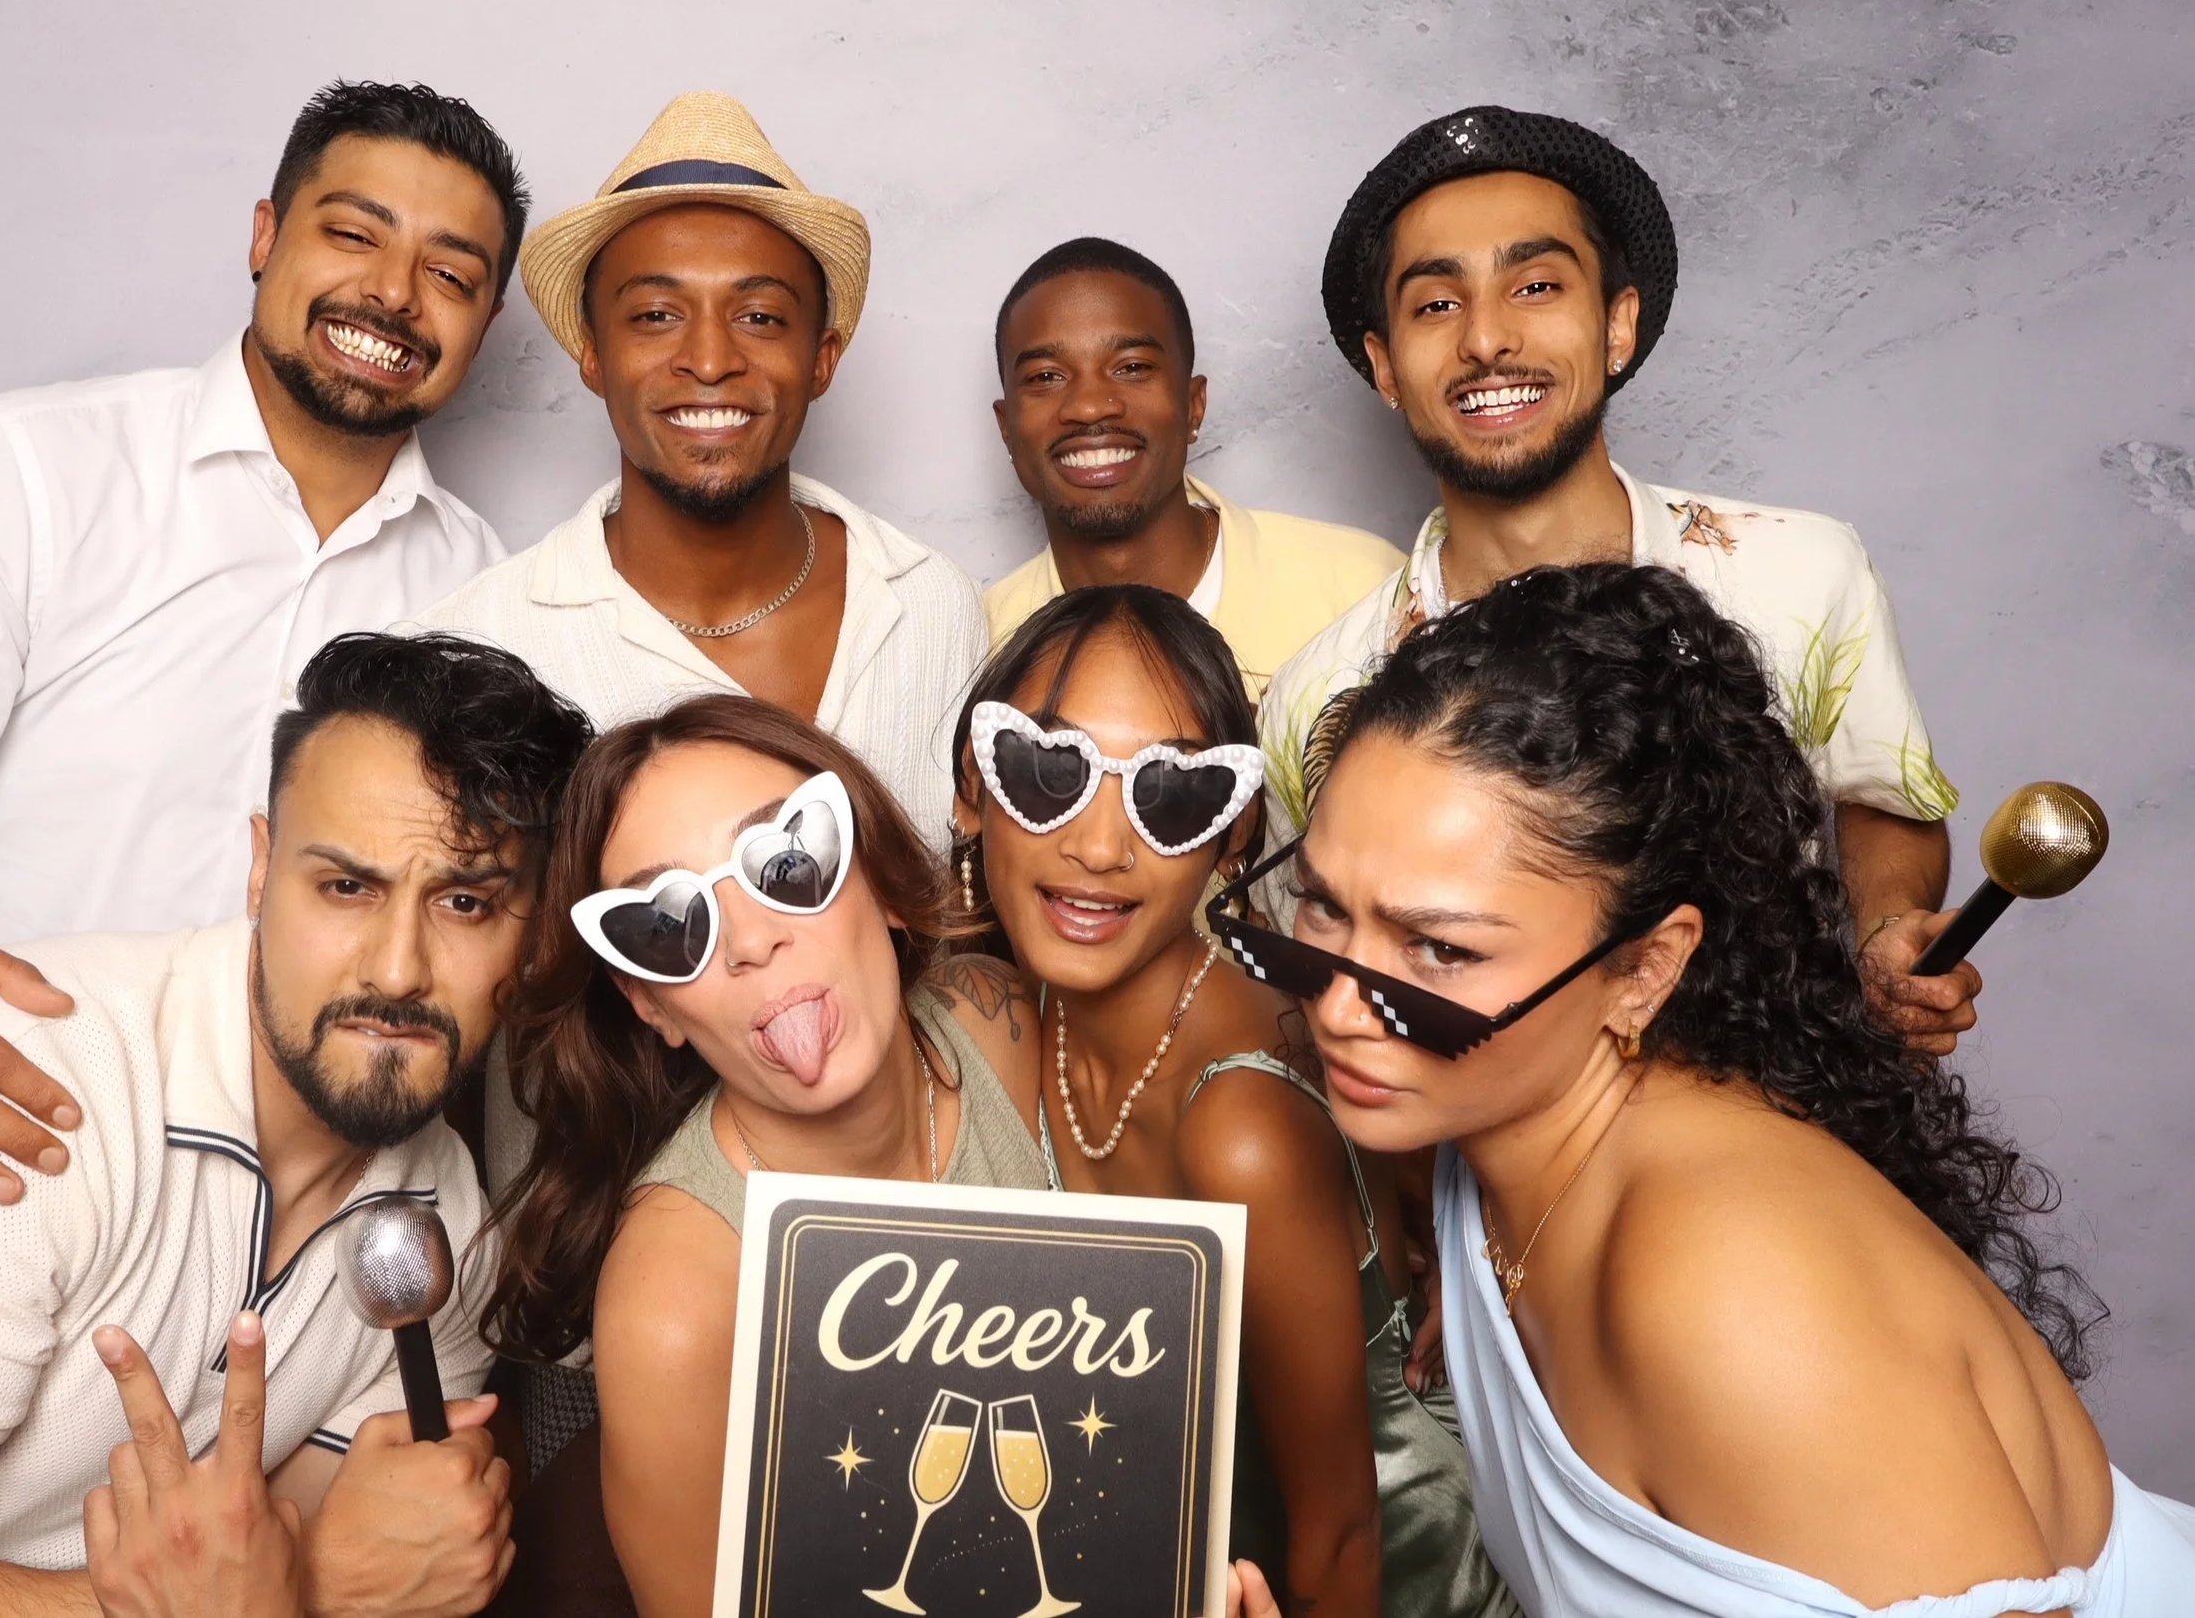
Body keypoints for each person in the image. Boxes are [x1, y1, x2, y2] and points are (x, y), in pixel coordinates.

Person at [1214, 562, 2195, 1616]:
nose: (1341, 1006)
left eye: (1441, 950)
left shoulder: (1737, 1292)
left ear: (1644, 969)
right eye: (1323, 907)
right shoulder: (1483, 1128)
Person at [0, 79, 528, 1233]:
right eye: (353, 234)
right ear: (265, 234)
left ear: (485, 323)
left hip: (274, 1228)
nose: (392, 293)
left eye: (450, 274)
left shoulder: (488, 595)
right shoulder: (26, 470)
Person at [0, 630, 594, 1611]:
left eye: (464, 903)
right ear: (260, 871)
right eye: (346, 887)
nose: (395, 969)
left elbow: (317, 1557)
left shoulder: (437, 1231)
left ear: (537, 932)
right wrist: (306, 1585)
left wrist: (310, 1579)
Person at [1256, 105, 1981, 1057]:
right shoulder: (1321, 693)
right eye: (1436, 304)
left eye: (1535, 285)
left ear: (1618, 324)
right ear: (1385, 366)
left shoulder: (1804, 574)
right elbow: (1323, 980)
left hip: (1782, 1107)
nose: (1486, 339)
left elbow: (1883, 800)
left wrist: (1888, 927)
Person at [950, 585, 1518, 1618]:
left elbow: (1342, 1534)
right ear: (970, 790)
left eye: (1172, 796)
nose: (1099, 846)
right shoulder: (1026, 1010)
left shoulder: (1239, 1127)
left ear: (1232, 832)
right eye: (1046, 773)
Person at [481, 696, 1049, 1618]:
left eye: (790, 863)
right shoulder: (674, 1302)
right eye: (670, 927)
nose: (750, 941)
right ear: (651, 1004)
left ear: (880, 883)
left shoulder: (999, 1025)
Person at [416, 92, 987, 848]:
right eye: (656, 315)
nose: (711, 360)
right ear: (593, 354)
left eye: (760, 317)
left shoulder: (933, 607)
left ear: (822, 359)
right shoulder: (478, 648)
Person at [982, 239, 1404, 702]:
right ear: (1006, 427)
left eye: (1131, 367)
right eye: (1046, 376)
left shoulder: (1369, 591)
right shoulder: (978, 645)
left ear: (1194, 406)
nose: (1089, 406)